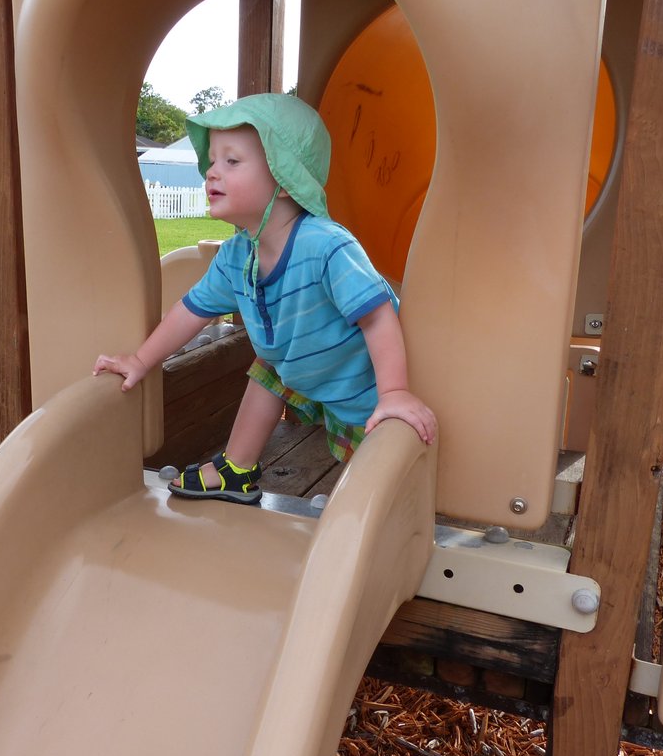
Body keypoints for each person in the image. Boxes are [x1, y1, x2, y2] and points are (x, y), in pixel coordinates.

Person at [93, 93, 436, 504]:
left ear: (286, 178)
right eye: (213, 161)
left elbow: (378, 318)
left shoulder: (326, 247)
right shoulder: (238, 255)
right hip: (300, 366)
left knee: (377, 472)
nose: (211, 172)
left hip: (361, 385)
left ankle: (371, 503)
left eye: (232, 161)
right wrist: (141, 360)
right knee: (268, 372)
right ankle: (237, 468)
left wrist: (394, 393)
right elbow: (190, 311)